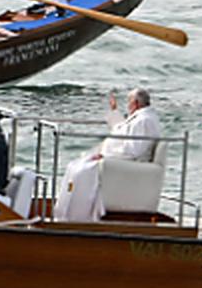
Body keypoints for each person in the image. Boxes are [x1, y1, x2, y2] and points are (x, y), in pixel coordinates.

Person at [55, 87, 162, 221]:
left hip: (124, 162)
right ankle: (65, 214)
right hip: (117, 158)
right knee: (74, 166)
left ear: (135, 103)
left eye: (129, 102)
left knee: (81, 172)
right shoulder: (141, 117)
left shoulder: (144, 120)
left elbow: (133, 150)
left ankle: (78, 217)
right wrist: (114, 111)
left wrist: (106, 156)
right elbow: (123, 131)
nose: (128, 106)